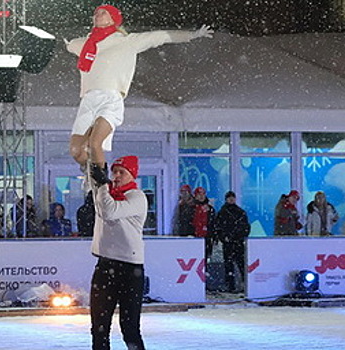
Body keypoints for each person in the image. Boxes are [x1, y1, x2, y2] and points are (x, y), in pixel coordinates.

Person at [65, 5, 213, 182]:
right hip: (88, 99)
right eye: (96, 13)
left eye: (103, 13)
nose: (97, 15)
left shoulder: (127, 41)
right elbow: (70, 45)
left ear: (114, 19)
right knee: (76, 151)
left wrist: (192, 35)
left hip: (111, 98)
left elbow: (160, 36)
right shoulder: (85, 43)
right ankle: (89, 170)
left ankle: (101, 182)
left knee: (95, 143)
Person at [87, 155, 148, 350]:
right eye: (114, 172)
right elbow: (101, 202)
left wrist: (103, 184)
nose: (117, 176)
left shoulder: (137, 197)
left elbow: (110, 211)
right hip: (105, 265)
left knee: (129, 328)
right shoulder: (106, 193)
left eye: (122, 172)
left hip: (130, 269)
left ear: (133, 175)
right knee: (99, 327)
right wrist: (96, 172)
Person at [215, 191, 250, 293]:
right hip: (229, 242)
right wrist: (223, 237)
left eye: (232, 197)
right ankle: (231, 285)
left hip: (237, 242)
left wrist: (240, 237)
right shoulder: (222, 212)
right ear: (226, 199)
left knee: (240, 264)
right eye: (229, 198)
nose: (231, 199)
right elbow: (218, 227)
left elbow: (246, 227)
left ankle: (243, 284)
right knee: (229, 265)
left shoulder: (240, 212)